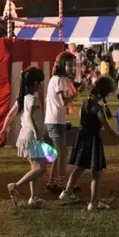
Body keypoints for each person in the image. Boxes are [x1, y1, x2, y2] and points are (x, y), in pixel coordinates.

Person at [59, 77, 119, 211]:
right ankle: (94, 203)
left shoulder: (85, 103)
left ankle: (67, 192)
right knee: (96, 172)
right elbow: (107, 129)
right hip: (92, 139)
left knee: (79, 166)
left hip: (82, 137)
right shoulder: (98, 109)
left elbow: (82, 119)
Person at [2, 67, 48, 208]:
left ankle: (34, 198)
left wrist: (4, 128)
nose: (42, 85)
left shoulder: (21, 99)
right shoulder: (33, 98)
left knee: (35, 167)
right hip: (31, 136)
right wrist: (37, 133)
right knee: (41, 168)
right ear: (35, 83)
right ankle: (16, 186)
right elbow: (30, 117)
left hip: (25, 136)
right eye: (41, 82)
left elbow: (10, 115)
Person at [44, 53, 78, 193]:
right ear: (62, 65)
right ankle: (62, 185)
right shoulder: (58, 80)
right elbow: (63, 101)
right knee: (62, 153)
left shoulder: (58, 79)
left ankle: (52, 182)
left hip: (57, 120)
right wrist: (77, 93)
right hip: (55, 121)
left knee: (59, 153)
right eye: (69, 65)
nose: (72, 68)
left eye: (73, 65)